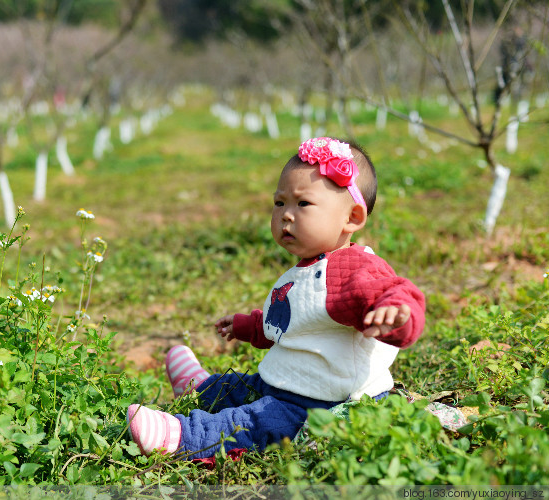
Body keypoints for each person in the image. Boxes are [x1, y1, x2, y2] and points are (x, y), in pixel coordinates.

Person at [127, 137, 426, 459]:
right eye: (280, 203)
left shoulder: (354, 270)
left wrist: (397, 313)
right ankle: (203, 388)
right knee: (247, 387)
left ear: (352, 218)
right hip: (292, 381)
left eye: (303, 204)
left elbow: (397, 291)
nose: (286, 215)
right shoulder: (311, 266)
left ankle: (185, 436)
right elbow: (293, 322)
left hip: (323, 402)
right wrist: (249, 326)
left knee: (259, 421)